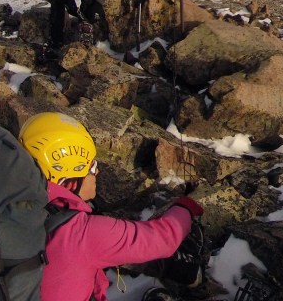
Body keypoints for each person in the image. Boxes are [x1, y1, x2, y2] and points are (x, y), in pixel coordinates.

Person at [17, 112, 202, 301]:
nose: (97, 171)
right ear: (69, 175)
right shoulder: (82, 234)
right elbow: (162, 239)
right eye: (91, 166)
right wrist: (187, 207)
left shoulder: (6, 207)